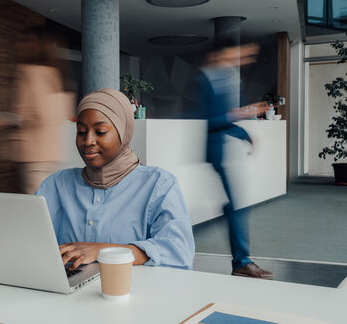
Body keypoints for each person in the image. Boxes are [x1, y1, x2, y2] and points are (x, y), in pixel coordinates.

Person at [36, 88, 195, 270]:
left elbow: (179, 252)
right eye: (81, 131)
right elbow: (28, 241)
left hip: (134, 292)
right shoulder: (56, 184)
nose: (87, 141)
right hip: (66, 293)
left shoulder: (159, 185)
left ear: (123, 132)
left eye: (101, 132)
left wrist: (103, 251)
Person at [195, 41, 273, 279]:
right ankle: (241, 262)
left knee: (234, 207)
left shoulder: (227, 78)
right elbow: (211, 120)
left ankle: (241, 257)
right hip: (218, 155)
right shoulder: (206, 78)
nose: (243, 58)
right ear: (219, 53)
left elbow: (224, 122)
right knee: (237, 208)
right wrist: (245, 112)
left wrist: (245, 134)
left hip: (226, 153)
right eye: (238, 53)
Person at [0, 26, 74, 194]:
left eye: (24, 40)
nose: (18, 44)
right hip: (52, 152)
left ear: (35, 45)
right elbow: (58, 114)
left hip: (33, 155)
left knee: (36, 208)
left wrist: (2, 119)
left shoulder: (30, 72)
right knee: (48, 205)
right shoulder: (57, 74)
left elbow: (35, 115)